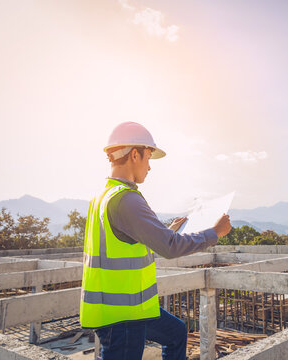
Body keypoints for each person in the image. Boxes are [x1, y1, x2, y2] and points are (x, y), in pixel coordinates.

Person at [80, 121, 231, 360]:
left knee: (176, 333)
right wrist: (215, 233)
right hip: (123, 316)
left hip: (124, 308)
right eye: (148, 157)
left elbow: (128, 241)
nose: (149, 167)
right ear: (135, 154)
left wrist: (165, 231)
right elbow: (170, 247)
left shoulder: (103, 195)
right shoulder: (126, 199)